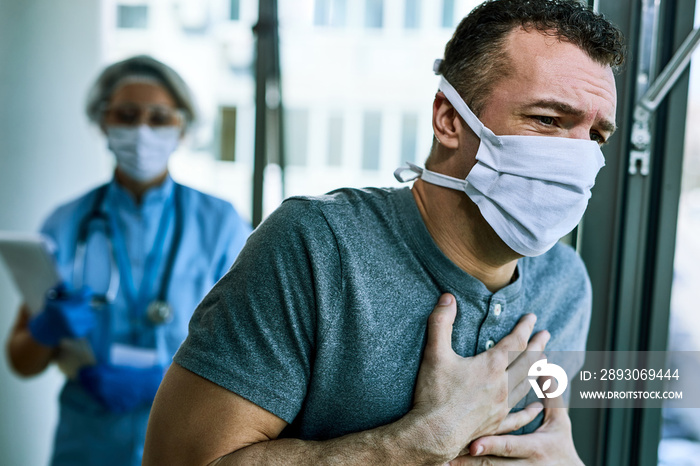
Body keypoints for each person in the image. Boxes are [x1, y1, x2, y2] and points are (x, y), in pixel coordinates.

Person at [144, 0, 625, 464]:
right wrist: (419, 441)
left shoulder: (566, 284)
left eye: (596, 136)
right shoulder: (318, 248)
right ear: (449, 119)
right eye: (547, 119)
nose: (579, 159)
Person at [5, 55, 252, 465]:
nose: (141, 130)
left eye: (159, 118)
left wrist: (163, 382)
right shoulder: (65, 223)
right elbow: (21, 360)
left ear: (182, 128)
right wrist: (45, 330)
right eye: (126, 115)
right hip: (87, 441)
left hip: (188, 435)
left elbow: (251, 351)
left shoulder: (222, 223)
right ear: (103, 122)